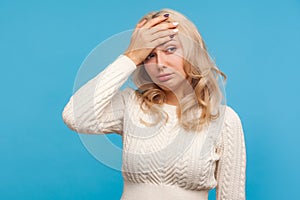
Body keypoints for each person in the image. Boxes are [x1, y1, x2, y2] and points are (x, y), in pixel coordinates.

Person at [62, 8, 246, 200]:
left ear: (191, 52)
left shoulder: (223, 120)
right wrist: (131, 56)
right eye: (149, 55)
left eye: (170, 49)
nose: (160, 64)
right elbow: (75, 116)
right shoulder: (131, 105)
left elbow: (232, 196)